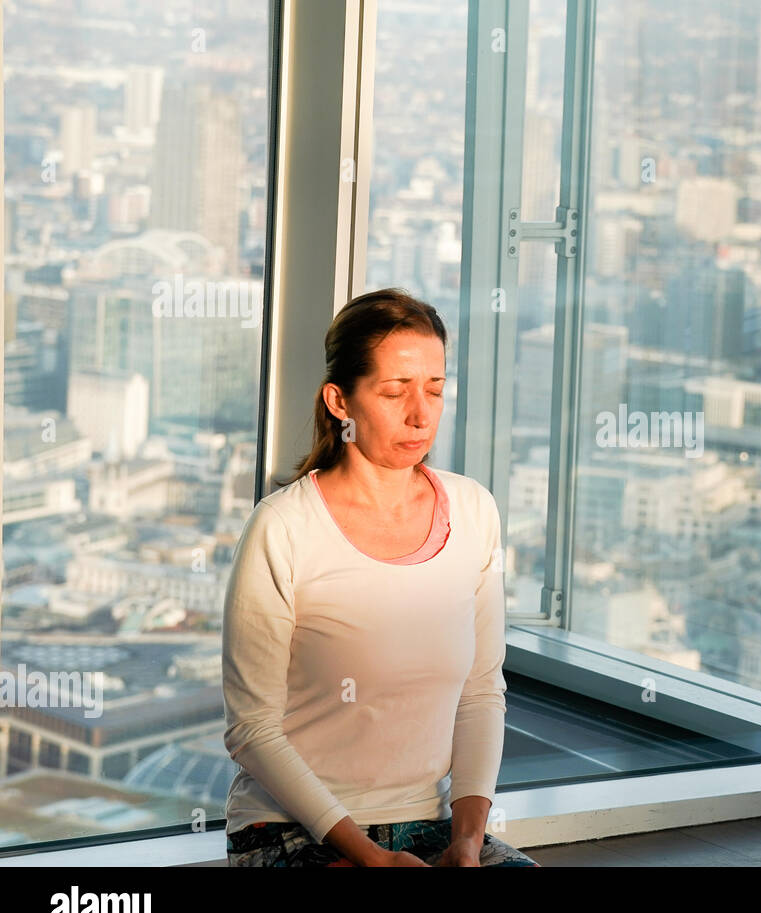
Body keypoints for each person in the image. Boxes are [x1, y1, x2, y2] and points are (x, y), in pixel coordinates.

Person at [222, 288, 539, 867]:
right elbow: (252, 728)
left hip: (431, 822)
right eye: (395, 391)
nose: (421, 414)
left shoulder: (474, 511)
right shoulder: (283, 528)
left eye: (435, 389)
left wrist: (467, 840)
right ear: (339, 400)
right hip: (295, 828)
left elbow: (480, 692)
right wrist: (369, 857)